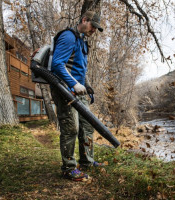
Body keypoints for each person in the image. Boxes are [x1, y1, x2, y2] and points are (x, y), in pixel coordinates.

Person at [51, 11, 104, 181]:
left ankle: (87, 161)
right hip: (65, 90)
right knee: (71, 128)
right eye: (93, 26)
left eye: (96, 28)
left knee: (87, 126)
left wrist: (86, 85)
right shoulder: (68, 37)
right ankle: (69, 168)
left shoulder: (81, 41)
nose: (94, 30)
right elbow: (57, 64)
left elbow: (79, 68)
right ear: (84, 20)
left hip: (78, 92)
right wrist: (74, 83)